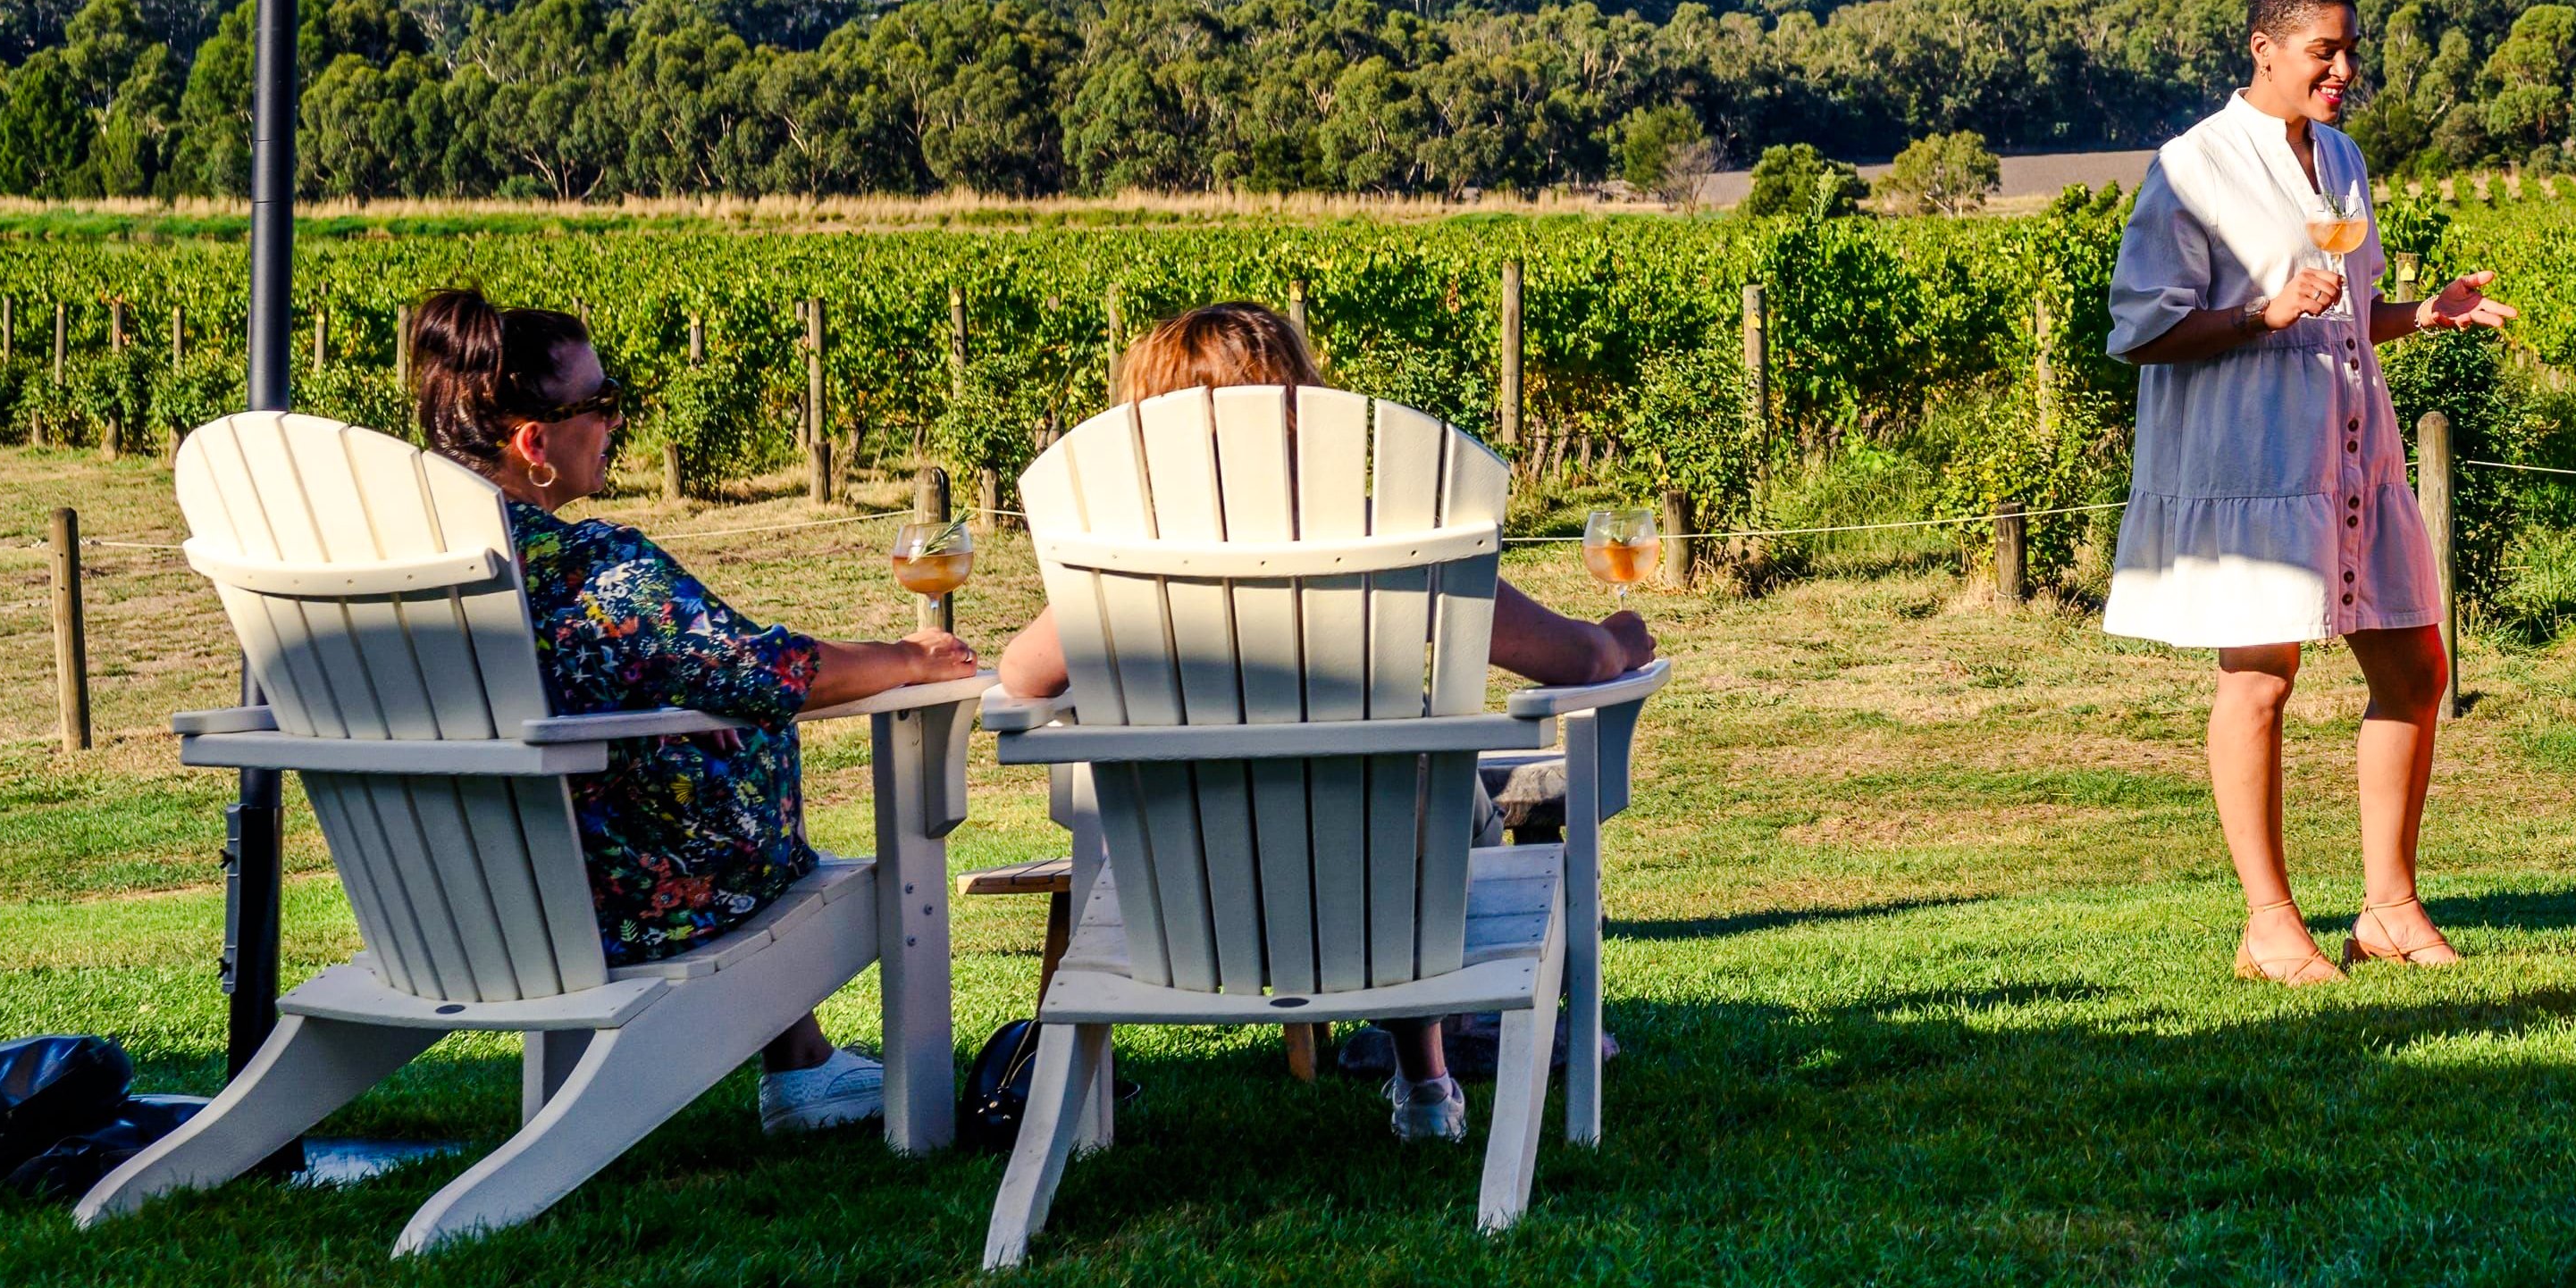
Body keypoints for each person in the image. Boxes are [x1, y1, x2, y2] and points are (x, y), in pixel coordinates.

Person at [995, 302, 1655, 1140]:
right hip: (1387, 885)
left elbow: (1020, 677)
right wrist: (1615, 639)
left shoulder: (1120, 563)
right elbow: (1578, 664)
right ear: (1299, 409)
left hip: (1193, 895)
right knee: (1411, 798)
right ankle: (1425, 1080)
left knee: (1368, 803)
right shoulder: (1389, 528)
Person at [398, 288, 978, 1134]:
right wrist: (906, 659)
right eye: (601, 405)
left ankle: (803, 1062)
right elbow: (767, 673)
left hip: (446, 900)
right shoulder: (592, 567)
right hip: (625, 906)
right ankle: (844, 1085)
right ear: (534, 443)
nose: (616, 423)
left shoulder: (402, 574)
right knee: (735, 778)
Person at [2104, 0, 2513, 984]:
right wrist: (2258, 313)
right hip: (2253, 464)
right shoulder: (2191, 166)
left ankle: (2389, 909)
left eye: (2350, 50)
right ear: (2266, 48)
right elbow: (2140, 332)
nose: (2343, 69)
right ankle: (2269, 924)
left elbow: (2340, 306)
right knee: (2260, 677)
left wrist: (2420, 314)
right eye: (2324, 51)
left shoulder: (2342, 158)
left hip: (2353, 455)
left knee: (2415, 668)